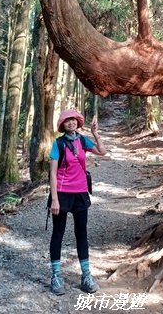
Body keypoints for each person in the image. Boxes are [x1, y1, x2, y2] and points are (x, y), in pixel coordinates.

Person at [49, 108, 107, 295]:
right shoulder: (58, 144)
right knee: (58, 233)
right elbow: (52, 173)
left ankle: (86, 275)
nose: (71, 123)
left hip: (81, 193)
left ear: (78, 122)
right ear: (63, 125)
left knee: (81, 233)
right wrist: (55, 200)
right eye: (67, 121)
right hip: (62, 194)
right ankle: (56, 276)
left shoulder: (83, 140)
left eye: (74, 120)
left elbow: (102, 152)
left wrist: (95, 134)